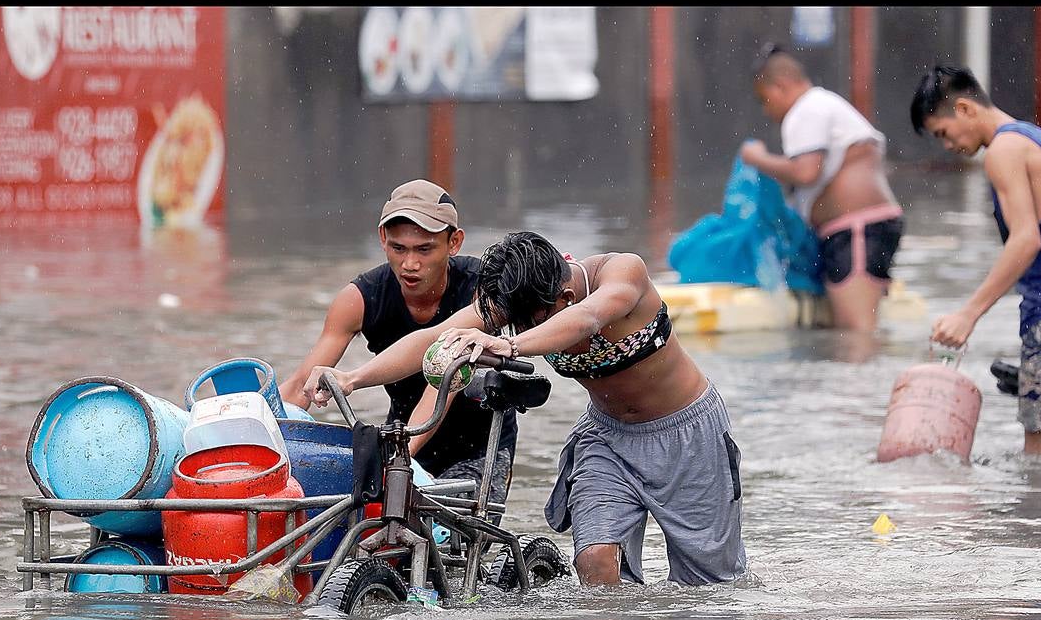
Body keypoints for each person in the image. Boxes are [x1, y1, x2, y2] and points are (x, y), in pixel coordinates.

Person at [305, 231, 749, 588]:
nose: (523, 328)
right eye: (514, 323)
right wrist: (353, 377)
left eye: (533, 321)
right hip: (608, 438)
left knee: (707, 589)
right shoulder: (516, 302)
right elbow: (434, 337)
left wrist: (507, 343)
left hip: (688, 435)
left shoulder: (621, 273)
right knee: (595, 559)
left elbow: (587, 320)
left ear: (564, 294)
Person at [910, 65, 1041, 454]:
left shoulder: (1002, 151)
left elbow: (1025, 241)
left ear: (965, 109)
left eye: (943, 134)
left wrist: (967, 314)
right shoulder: (1040, 140)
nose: (948, 146)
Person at [278, 179, 517, 503]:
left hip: (478, 448)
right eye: (398, 248)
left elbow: (440, 387)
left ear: (454, 242)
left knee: (450, 538)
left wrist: (396, 462)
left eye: (425, 249)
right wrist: (262, 440)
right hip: (401, 432)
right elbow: (300, 386)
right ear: (382, 239)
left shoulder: (482, 289)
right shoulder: (360, 298)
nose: (410, 264)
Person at [740, 45, 903, 333]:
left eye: (764, 100)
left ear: (780, 86)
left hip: (857, 231)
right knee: (850, 330)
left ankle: (865, 379)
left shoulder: (807, 109)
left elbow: (805, 172)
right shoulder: (825, 105)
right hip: (863, 228)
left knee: (857, 333)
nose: (767, 111)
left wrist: (757, 158)